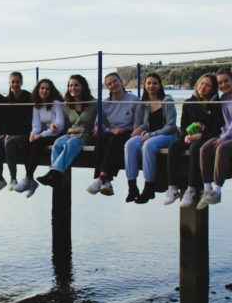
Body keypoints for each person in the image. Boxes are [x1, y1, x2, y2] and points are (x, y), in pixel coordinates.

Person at [164, 73, 223, 207]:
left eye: (208, 85)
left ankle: (192, 189)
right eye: (202, 83)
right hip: (189, 137)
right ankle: (172, 188)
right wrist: (185, 136)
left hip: (207, 137)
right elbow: (183, 126)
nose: (203, 87)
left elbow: (217, 128)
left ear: (213, 88)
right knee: (174, 146)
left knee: (195, 148)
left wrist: (201, 135)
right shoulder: (189, 102)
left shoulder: (216, 104)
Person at [124, 73, 179, 204]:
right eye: (148, 83)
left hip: (168, 135)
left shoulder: (167, 100)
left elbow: (171, 126)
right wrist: (143, 132)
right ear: (145, 85)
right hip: (148, 135)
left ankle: (149, 187)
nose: (151, 86)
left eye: (155, 83)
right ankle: (132, 187)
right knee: (130, 144)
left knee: (148, 145)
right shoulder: (143, 104)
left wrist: (151, 135)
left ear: (160, 85)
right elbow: (137, 125)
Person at [37, 75, 96, 188]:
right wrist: (52, 125)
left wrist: (99, 126)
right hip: (71, 133)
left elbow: (103, 119)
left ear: (83, 86)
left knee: (71, 142)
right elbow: (61, 123)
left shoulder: (93, 103)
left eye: (76, 85)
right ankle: (56, 175)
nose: (73, 88)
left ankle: (53, 173)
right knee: (58, 142)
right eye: (70, 85)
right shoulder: (67, 105)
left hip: (86, 135)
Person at [86, 73, 138, 196]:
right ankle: (105, 180)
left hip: (129, 131)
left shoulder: (133, 99)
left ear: (121, 82)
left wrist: (124, 131)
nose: (113, 85)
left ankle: (101, 178)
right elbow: (98, 123)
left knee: (115, 141)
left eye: (115, 81)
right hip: (112, 132)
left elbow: (138, 121)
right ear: (107, 87)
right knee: (102, 139)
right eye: (109, 84)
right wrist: (111, 130)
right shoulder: (106, 103)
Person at [14, 78, 64, 197]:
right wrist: (33, 134)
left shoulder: (56, 103)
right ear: (38, 90)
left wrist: (41, 135)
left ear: (51, 91)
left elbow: (60, 126)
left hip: (56, 134)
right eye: (42, 88)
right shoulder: (37, 105)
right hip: (45, 133)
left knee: (38, 142)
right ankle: (31, 180)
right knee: (27, 143)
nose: (44, 91)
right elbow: (36, 125)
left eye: (47, 89)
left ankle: (28, 177)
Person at [0, 72, 32, 196]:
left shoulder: (28, 97)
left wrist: (15, 134)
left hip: (25, 133)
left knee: (9, 143)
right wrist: (6, 133)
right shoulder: (6, 100)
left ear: (21, 82)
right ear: (9, 83)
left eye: (17, 82)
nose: (15, 84)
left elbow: (29, 120)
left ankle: (13, 178)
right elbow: (4, 121)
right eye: (13, 82)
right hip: (11, 134)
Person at [197, 67, 232, 209]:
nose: (223, 85)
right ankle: (207, 190)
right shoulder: (223, 99)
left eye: (226, 81)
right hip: (227, 135)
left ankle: (217, 191)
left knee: (221, 148)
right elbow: (225, 123)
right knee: (205, 148)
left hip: (228, 137)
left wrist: (224, 137)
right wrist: (222, 136)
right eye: (220, 83)